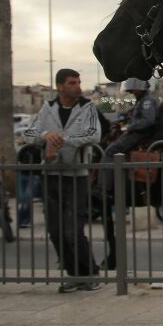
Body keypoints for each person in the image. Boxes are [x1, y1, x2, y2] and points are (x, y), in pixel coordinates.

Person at [23, 68, 103, 293]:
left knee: (72, 230)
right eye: (71, 82)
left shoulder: (87, 107)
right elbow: (29, 134)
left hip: (77, 176)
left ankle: (88, 273)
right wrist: (45, 136)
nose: (77, 86)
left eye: (78, 81)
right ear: (60, 87)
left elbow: (94, 135)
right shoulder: (48, 109)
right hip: (51, 174)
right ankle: (74, 274)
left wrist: (64, 140)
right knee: (55, 230)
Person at [100, 77, 161, 268]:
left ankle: (105, 186)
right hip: (136, 131)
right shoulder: (142, 99)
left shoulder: (149, 99)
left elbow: (148, 120)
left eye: (133, 90)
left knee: (110, 151)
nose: (132, 93)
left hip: (140, 135)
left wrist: (129, 126)